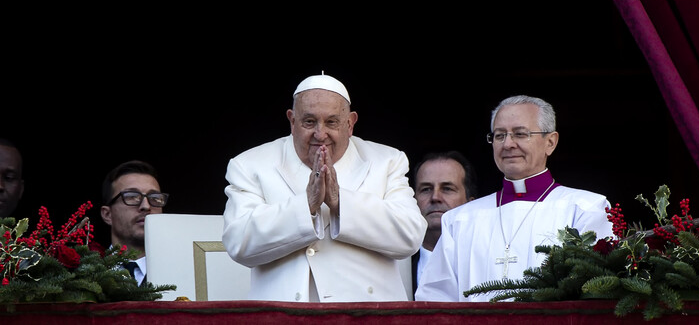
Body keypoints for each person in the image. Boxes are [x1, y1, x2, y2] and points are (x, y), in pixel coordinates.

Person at [222, 72, 427, 302]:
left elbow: (410, 235)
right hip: (286, 313)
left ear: (350, 123)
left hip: (368, 313)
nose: (320, 134)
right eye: (309, 122)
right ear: (292, 121)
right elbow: (239, 242)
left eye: (332, 122)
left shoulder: (387, 161)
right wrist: (306, 206)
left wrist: (341, 202)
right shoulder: (250, 164)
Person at [415, 95, 614, 302]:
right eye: (499, 136)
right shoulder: (459, 220)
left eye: (520, 134)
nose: (508, 144)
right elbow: (435, 302)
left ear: (550, 142)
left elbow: (598, 295)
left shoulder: (585, 209)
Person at [412, 150, 477, 293]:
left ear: (471, 204)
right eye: (426, 189)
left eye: (447, 188)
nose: (435, 197)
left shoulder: (482, 261)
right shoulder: (393, 264)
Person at [100, 160, 169, 286]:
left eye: (155, 198)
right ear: (107, 214)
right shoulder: (83, 275)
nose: (146, 206)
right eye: (132, 196)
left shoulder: (182, 270)